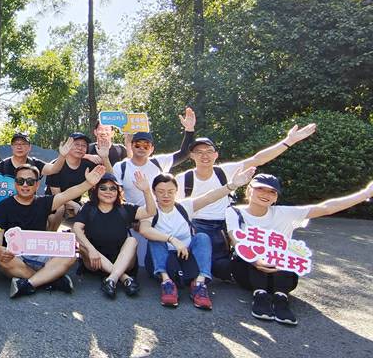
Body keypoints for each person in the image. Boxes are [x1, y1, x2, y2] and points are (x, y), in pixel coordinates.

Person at [227, 174, 373, 325]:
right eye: (260, 189)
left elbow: (327, 208)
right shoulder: (234, 212)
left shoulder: (285, 213)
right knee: (256, 250)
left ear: (276, 197)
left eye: (272, 192)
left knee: (287, 251)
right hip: (247, 272)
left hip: (281, 273)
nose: (265, 194)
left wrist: (366, 193)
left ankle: (281, 297)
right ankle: (260, 295)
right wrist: (255, 261)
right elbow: (236, 240)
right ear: (249, 190)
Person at [175, 124, 316, 280]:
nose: (204, 156)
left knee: (225, 267)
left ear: (216, 155)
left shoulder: (225, 171)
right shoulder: (183, 179)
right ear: (191, 156)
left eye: (209, 151)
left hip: (226, 225)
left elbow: (258, 159)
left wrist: (289, 141)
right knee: (199, 266)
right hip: (197, 226)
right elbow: (177, 210)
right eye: (199, 152)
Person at [139, 168, 255, 310]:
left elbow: (209, 197)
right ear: (154, 192)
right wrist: (171, 239)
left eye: (170, 191)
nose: (166, 195)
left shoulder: (184, 207)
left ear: (176, 191)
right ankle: (167, 283)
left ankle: (199, 283)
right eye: (161, 191)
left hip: (185, 257)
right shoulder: (150, 209)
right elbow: (144, 230)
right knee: (155, 239)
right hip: (161, 258)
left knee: (202, 237)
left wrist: (233, 185)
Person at [0, 163, 107, 298]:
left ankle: (30, 283)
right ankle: (53, 280)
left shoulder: (44, 202)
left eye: (30, 181)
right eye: (20, 181)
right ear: (15, 183)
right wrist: (1, 250)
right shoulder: (3, 206)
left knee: (70, 253)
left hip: (42, 253)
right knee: (1, 260)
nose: (25, 185)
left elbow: (66, 195)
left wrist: (88, 183)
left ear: (37, 185)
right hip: (16, 257)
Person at [113, 107, 197, 266]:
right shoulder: (121, 167)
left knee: (159, 257)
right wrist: (131, 219)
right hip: (132, 219)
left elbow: (184, 153)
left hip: (157, 217)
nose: (141, 148)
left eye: (146, 146)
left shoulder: (158, 162)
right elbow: (115, 195)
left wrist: (189, 130)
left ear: (152, 149)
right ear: (131, 146)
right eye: (138, 145)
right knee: (136, 261)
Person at [72, 171, 155, 299]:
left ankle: (112, 279)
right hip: (95, 261)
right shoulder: (89, 208)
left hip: (123, 261)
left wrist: (147, 190)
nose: (108, 192)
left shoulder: (125, 209)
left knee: (132, 241)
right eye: (103, 188)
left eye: (113, 188)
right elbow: (76, 228)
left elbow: (151, 212)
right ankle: (125, 278)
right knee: (84, 244)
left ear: (118, 192)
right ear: (96, 190)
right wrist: (91, 250)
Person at [45, 132, 111, 231]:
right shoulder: (57, 164)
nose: (80, 148)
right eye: (76, 144)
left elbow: (111, 178)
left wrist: (105, 158)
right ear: (68, 146)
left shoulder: (88, 165)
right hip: (54, 204)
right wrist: (74, 204)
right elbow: (56, 194)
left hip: (75, 206)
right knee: (60, 209)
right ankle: (51, 235)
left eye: (83, 145)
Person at [0, 131, 68, 179]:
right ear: (12, 147)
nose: (19, 147)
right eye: (16, 144)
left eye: (23, 144)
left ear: (29, 147)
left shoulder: (35, 164)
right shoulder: (2, 165)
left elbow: (54, 169)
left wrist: (62, 156)